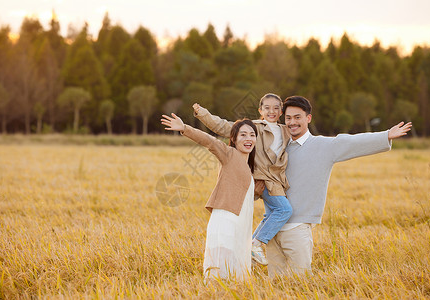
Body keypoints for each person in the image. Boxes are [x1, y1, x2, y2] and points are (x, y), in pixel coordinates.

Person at [255, 95, 412, 277]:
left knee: (301, 283)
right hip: (271, 229)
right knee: (276, 284)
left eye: (297, 117)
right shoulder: (279, 145)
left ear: (308, 118)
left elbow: (352, 141)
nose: (292, 122)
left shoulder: (323, 146)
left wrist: (385, 135)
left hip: (297, 228)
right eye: (288, 118)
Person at [193, 93, 292, 266]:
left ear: (281, 111)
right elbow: (223, 127)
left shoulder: (285, 130)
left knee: (272, 214)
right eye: (267, 107)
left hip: (276, 181)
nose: (272, 111)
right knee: (284, 210)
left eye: (276, 107)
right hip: (261, 178)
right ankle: (255, 244)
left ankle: (250, 246)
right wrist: (203, 113)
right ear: (260, 110)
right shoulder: (254, 127)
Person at [161, 113, 258, 281]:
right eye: (243, 134)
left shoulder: (250, 167)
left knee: (235, 266)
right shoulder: (229, 154)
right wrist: (185, 128)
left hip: (240, 223)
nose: (248, 138)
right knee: (221, 265)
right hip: (226, 219)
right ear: (233, 139)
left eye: (252, 134)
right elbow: (209, 141)